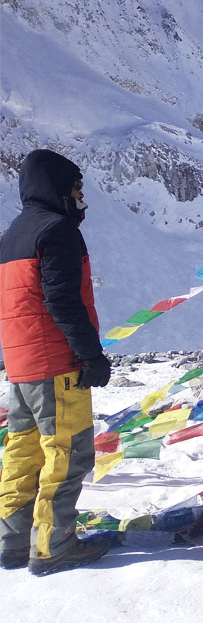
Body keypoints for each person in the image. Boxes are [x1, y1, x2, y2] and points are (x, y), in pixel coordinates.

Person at [0, 149, 112, 575]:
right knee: (67, 455)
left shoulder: (12, 235)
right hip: (56, 364)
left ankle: (12, 541)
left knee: (23, 456)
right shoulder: (57, 230)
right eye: (76, 186)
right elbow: (61, 300)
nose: (81, 195)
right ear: (58, 188)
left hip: (21, 365)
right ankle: (54, 543)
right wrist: (90, 355)